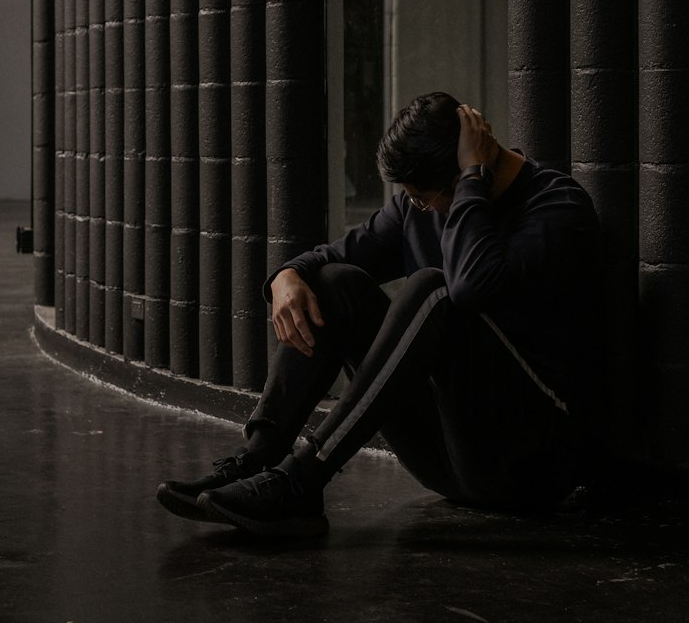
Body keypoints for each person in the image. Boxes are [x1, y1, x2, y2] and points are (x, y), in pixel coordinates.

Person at [156, 93, 602, 539]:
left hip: (530, 463)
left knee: (434, 291)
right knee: (334, 283)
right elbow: (333, 257)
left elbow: (469, 286)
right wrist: (286, 276)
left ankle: (301, 478)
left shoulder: (557, 207)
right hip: (448, 460)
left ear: (462, 173)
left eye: (425, 199)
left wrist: (472, 181)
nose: (419, 209)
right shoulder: (421, 206)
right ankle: (260, 458)